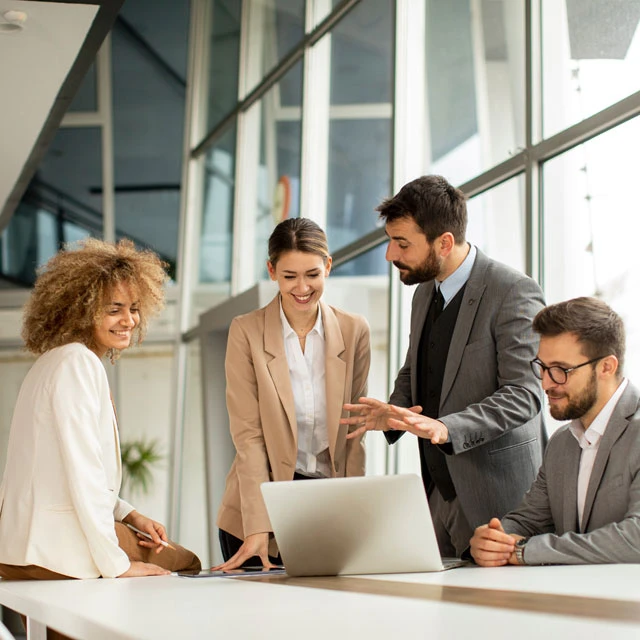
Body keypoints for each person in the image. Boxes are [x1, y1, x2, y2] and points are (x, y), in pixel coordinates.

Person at [342, 174, 546, 557]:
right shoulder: (423, 293)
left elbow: (525, 394)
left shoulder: (513, 291)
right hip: (437, 493)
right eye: (390, 241)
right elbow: (416, 366)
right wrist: (393, 411)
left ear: (445, 242)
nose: (390, 255)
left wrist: (445, 427)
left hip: (499, 498)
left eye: (402, 244)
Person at [0, 238, 201, 582]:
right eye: (114, 309)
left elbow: (62, 471)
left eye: (134, 308)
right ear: (81, 309)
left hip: (18, 548)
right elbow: (83, 471)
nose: (129, 320)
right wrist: (118, 565)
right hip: (58, 549)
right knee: (187, 561)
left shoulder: (51, 363)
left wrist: (130, 514)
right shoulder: (78, 363)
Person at [215, 217, 371, 570]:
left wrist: (356, 516)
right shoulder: (246, 332)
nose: (302, 287)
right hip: (259, 508)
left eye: (312, 274)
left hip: (326, 506)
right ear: (271, 271)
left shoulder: (354, 330)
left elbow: (354, 432)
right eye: (290, 276)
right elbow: (248, 437)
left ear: (328, 267)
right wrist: (258, 526)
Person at [470, 297, 640, 566]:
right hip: (572, 600)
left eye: (561, 370)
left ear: (607, 367)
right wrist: (493, 539)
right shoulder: (562, 442)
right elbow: (529, 519)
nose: (547, 383)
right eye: (543, 368)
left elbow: (636, 539)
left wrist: (526, 550)